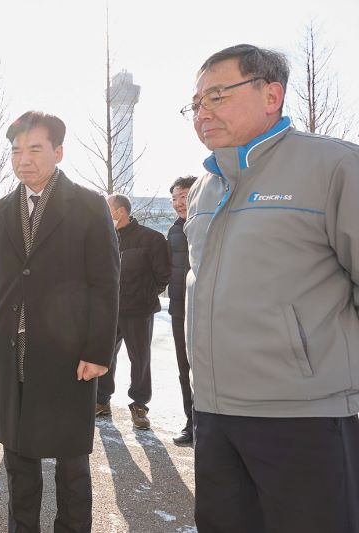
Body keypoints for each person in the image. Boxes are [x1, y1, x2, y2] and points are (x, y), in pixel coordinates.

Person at [181, 44, 359, 532]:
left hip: (305, 419)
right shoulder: (205, 186)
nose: (203, 111)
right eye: (196, 102)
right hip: (215, 414)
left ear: (271, 95)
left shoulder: (335, 167)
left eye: (217, 95)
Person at [0, 111, 120, 532]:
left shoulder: (89, 206)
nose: (24, 159)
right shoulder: (1, 210)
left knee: (71, 463)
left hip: (68, 355)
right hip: (12, 351)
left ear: (58, 152)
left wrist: (97, 351)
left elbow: (105, 283)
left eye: (35, 149)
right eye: (17, 150)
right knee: (18, 458)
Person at [95, 194, 170, 430]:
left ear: (119, 212)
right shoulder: (104, 239)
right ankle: (102, 400)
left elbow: (163, 276)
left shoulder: (151, 239)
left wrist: (145, 297)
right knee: (104, 356)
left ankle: (139, 406)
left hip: (138, 311)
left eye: (107, 210)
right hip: (109, 311)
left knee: (140, 358)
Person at [167, 176, 197, 445]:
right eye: (175, 198)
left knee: (207, 369)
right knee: (183, 368)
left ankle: (210, 424)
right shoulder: (175, 231)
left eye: (184, 196)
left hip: (208, 312)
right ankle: (192, 422)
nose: (178, 203)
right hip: (179, 310)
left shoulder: (212, 223)